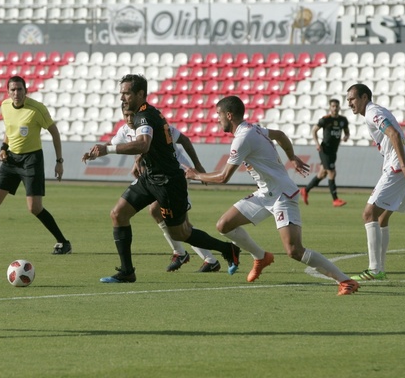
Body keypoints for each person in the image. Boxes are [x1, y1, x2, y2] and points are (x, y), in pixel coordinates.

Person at [184, 95, 360, 296]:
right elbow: (281, 135)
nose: (217, 119)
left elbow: (224, 176)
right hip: (265, 194)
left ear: (229, 115)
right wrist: (291, 157)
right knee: (224, 225)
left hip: (282, 195)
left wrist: (195, 175)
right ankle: (261, 257)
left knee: (294, 250)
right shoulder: (254, 129)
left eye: (219, 114)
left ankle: (346, 281)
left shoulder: (243, 138)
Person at [82, 74, 240, 283]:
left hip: (168, 183)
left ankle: (228, 249)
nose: (123, 98)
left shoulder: (145, 117)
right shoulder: (143, 115)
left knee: (180, 233)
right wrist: (138, 159)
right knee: (118, 214)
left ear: (140, 93)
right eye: (121, 93)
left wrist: (107, 149)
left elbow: (144, 144)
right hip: (150, 178)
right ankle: (127, 272)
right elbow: (147, 147)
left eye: (127, 93)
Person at [0, 75, 71, 255]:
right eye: (12, 90)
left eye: (19, 89)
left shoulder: (37, 109)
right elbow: (9, 130)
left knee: (34, 208)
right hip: (11, 159)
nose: (16, 93)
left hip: (32, 160)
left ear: (25, 90)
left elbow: (55, 133)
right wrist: (3, 148)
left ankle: (63, 242)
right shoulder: (5, 106)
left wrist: (59, 161)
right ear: (8, 92)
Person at [107, 105, 221, 272]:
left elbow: (184, 140)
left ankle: (210, 259)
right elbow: (114, 144)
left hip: (177, 173)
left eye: (132, 115)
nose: (130, 119)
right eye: (126, 115)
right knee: (156, 212)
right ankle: (181, 253)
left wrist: (198, 166)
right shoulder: (125, 131)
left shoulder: (154, 124)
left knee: (181, 223)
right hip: (157, 178)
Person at [346, 84, 405, 281]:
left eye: (352, 99)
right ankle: (380, 269)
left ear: (363, 97)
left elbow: (393, 134)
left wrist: (402, 167)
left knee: (369, 213)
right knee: (382, 219)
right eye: (348, 100)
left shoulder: (372, 112)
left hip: (397, 168)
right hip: (401, 166)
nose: (349, 103)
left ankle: (374, 269)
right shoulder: (375, 112)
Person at [300, 98, 350, 207]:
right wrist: (317, 143)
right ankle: (335, 200)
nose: (335, 108)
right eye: (333, 106)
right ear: (330, 107)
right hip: (325, 150)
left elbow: (347, 132)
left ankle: (305, 190)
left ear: (339, 107)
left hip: (333, 151)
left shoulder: (343, 120)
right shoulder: (325, 120)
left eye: (336, 106)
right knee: (332, 173)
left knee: (322, 174)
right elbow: (314, 131)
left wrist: (346, 137)